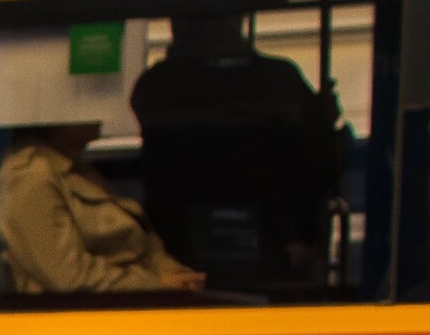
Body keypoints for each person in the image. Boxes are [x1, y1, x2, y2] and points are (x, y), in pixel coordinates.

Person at [131, 15, 343, 288]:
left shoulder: (157, 83)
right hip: (271, 239)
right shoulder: (278, 78)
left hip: (178, 240)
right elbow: (314, 162)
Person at [0, 121, 204, 295]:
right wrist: (154, 284)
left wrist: (174, 274)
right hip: (93, 315)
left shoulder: (73, 167)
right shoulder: (30, 177)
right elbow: (69, 277)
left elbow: (140, 241)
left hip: (137, 300)